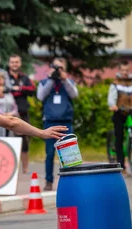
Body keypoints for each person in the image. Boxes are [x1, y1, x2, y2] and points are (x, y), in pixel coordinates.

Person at [37, 57, 78, 191]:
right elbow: (40, 96)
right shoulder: (44, 82)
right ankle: (49, 181)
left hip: (65, 122)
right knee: (50, 154)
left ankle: (70, 182)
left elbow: (74, 95)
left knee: (69, 155)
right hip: (50, 122)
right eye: (55, 67)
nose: (57, 71)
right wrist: (50, 79)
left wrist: (64, 79)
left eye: (60, 68)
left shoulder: (69, 82)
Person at [8, 54, 36, 174]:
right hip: (7, 113)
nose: (15, 64)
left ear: (20, 64)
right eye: (12, 62)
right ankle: (10, 168)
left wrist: (19, 89)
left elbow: (32, 90)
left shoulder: (24, 77)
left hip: (23, 112)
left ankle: (25, 168)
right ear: (9, 63)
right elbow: (5, 89)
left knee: (24, 141)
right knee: (8, 140)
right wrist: (19, 91)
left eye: (17, 62)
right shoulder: (5, 76)